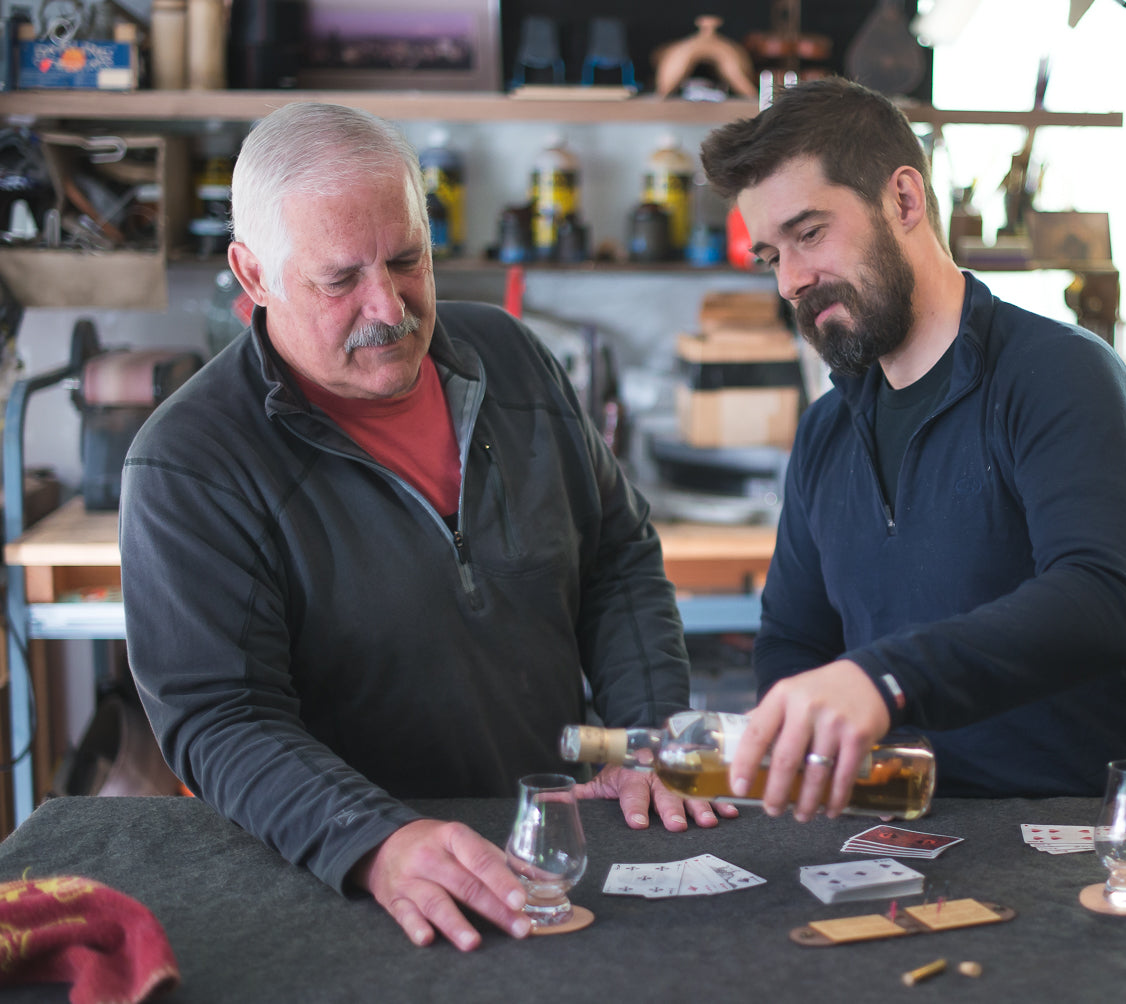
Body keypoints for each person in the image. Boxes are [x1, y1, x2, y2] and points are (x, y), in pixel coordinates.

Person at [120, 102, 730, 952]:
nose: (390, 306)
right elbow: (221, 717)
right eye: (340, 280)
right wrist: (371, 841)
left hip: (549, 854)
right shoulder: (189, 462)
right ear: (252, 275)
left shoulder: (511, 358)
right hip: (351, 883)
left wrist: (645, 735)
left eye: (408, 260)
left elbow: (617, 560)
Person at [698, 78, 1126, 822]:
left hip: (1072, 841)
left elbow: (1098, 600)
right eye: (770, 257)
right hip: (890, 836)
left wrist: (881, 681)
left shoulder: (1060, 375)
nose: (791, 280)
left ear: (905, 201)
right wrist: (806, 743)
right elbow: (793, 638)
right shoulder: (826, 431)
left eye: (810, 234)